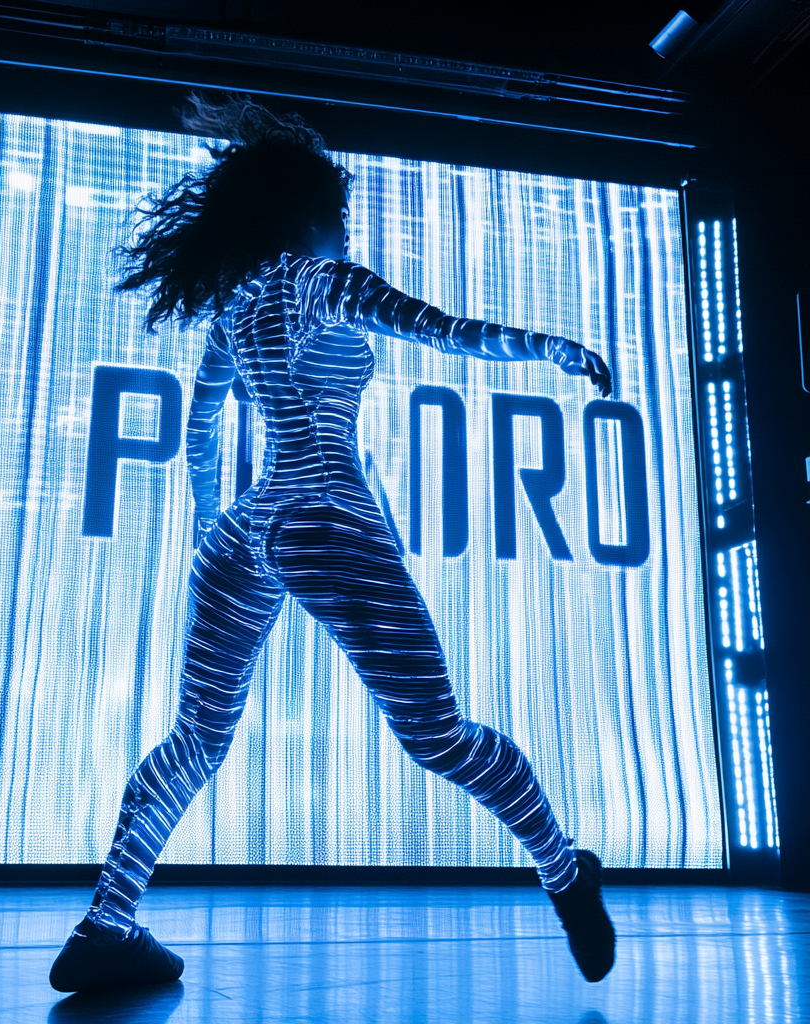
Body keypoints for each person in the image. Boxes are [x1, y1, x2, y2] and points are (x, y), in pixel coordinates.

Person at [50, 94, 616, 993]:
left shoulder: (234, 311)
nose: (343, 229)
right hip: (325, 519)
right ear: (313, 214)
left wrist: (213, 526)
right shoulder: (326, 281)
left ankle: (106, 923)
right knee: (438, 733)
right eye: (339, 216)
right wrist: (551, 347)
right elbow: (443, 329)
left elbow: (201, 436)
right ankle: (562, 866)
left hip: (249, 529)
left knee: (197, 736)